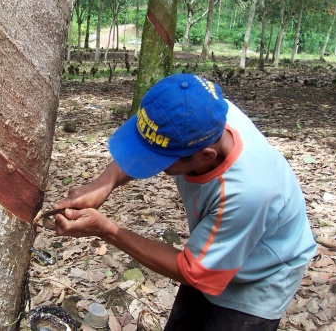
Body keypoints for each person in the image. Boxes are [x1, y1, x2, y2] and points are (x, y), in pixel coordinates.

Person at [52, 73, 316, 331]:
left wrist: (105, 229)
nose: (152, 166)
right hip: (217, 246)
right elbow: (148, 143)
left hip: (260, 275)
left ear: (205, 155)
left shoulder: (248, 192)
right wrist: (103, 184)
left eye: (161, 161)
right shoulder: (197, 114)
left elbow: (195, 272)